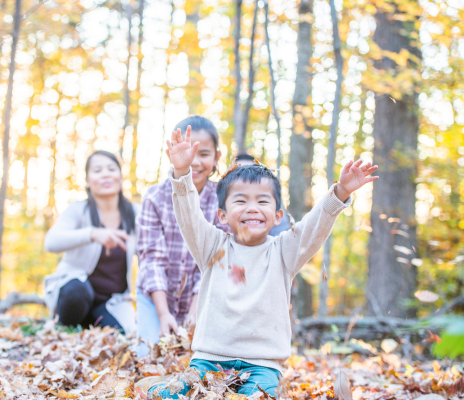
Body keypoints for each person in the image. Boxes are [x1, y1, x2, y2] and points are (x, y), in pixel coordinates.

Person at [143, 127, 377, 397]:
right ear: (222, 214)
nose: (252, 208)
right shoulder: (211, 247)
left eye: (262, 201)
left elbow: (314, 228)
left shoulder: (284, 252)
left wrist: (340, 192)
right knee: (169, 395)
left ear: (278, 216)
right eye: (240, 200)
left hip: (262, 365)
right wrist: (182, 173)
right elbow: (188, 216)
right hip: (208, 359)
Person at [135, 115, 230, 357]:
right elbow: (151, 258)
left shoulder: (224, 200)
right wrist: (163, 313)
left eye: (204, 154)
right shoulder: (155, 197)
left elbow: (217, 259)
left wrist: (195, 310)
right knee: (148, 356)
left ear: (217, 157)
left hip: (205, 298)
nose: (195, 162)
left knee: (202, 360)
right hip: (156, 297)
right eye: (188, 152)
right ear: (172, 153)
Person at [43, 150, 140, 334]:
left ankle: (90, 324)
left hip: (111, 301)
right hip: (75, 293)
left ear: (120, 177)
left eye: (111, 169)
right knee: (76, 292)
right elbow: (51, 242)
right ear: (87, 181)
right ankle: (65, 328)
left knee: (122, 335)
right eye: (97, 170)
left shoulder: (135, 213)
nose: (105, 174)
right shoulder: (78, 210)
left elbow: (150, 256)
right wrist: (92, 234)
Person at [234, 153, 291, 235]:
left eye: (251, 172)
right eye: (238, 173)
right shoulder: (218, 200)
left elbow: (281, 234)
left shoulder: (271, 203)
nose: (245, 177)